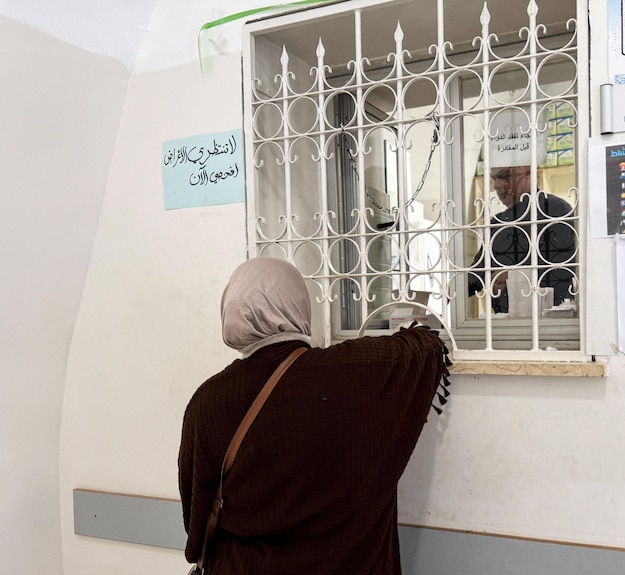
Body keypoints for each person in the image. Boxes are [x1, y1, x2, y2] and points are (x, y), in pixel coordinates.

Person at [179, 257, 451, 575]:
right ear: (299, 305)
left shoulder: (206, 402)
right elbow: (426, 344)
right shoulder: (356, 373)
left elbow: (195, 514)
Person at [467, 165, 575, 313]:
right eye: (494, 179)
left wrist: (512, 276)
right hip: (506, 324)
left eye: (504, 176)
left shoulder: (555, 210)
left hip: (551, 320)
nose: (496, 185)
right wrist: (445, 294)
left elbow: (563, 269)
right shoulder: (497, 223)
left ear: (528, 173)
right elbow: (477, 274)